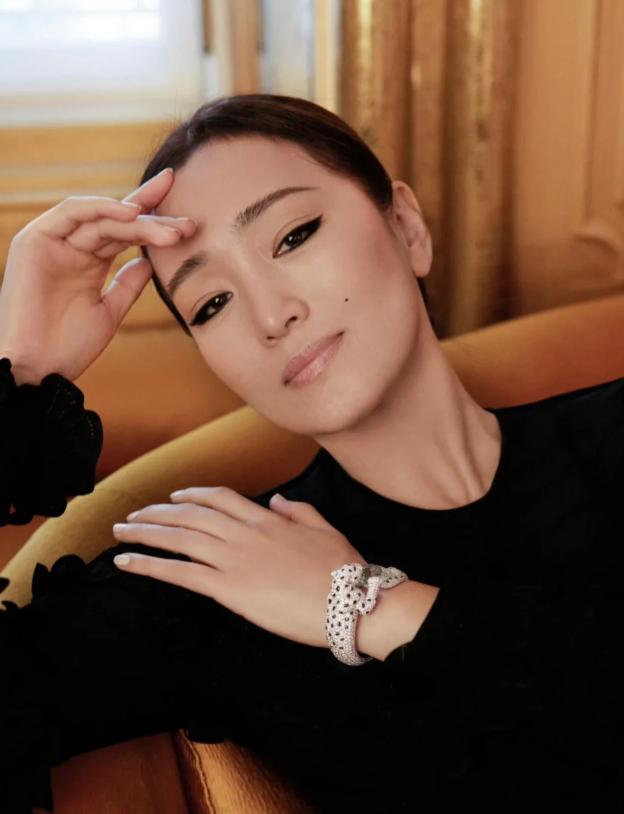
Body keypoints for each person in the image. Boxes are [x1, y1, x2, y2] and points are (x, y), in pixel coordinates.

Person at [1, 92, 623, 813]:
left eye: (293, 236)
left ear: (406, 226)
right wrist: (19, 376)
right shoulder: (220, 577)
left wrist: (366, 605)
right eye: (212, 304)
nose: (272, 315)